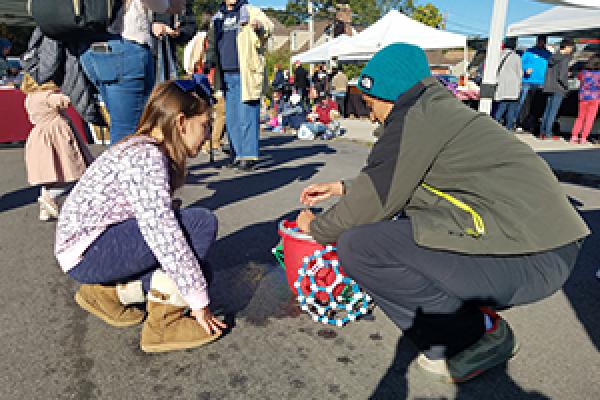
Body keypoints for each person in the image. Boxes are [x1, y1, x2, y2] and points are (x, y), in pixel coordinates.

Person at [296, 43, 589, 383]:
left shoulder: (416, 120)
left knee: (359, 246)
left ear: (389, 94)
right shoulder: (435, 112)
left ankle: (475, 336)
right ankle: (463, 314)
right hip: (542, 245)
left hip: (534, 257)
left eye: (370, 102)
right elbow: (404, 177)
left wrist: (316, 227)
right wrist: (345, 187)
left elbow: (376, 199)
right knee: (400, 229)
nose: (370, 114)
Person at [55, 75, 227, 353]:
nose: (208, 135)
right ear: (181, 123)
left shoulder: (144, 149)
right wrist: (200, 304)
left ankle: (108, 293)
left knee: (199, 272)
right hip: (88, 251)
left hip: (88, 247)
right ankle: (163, 325)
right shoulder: (146, 157)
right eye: (205, 126)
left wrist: (194, 287)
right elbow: (162, 235)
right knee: (199, 224)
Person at [79, 0, 185, 145]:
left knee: (120, 123)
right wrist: (171, 6)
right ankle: (123, 166)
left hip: (91, 48)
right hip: (125, 46)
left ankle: (124, 164)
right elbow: (157, 4)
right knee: (129, 131)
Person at [204, 0, 273, 172]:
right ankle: (236, 154)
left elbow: (268, 27)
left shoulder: (250, 11)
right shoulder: (218, 18)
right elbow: (212, 43)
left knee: (247, 115)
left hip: (246, 73)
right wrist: (209, 60)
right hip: (226, 74)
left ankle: (248, 156)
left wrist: (258, 27)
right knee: (232, 118)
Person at [21, 74, 93, 221]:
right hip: (58, 136)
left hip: (40, 136)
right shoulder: (48, 96)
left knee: (53, 176)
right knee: (73, 175)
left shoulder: (30, 98)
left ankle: (46, 209)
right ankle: (49, 197)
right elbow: (67, 101)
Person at [152, 0, 197, 81]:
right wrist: (152, 26)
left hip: (168, 56)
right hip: (144, 53)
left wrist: (179, 32)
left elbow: (190, 25)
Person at [540, 38, 575, 139]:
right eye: (571, 48)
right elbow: (562, 76)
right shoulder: (564, 58)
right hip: (558, 88)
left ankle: (542, 132)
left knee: (547, 110)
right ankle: (548, 133)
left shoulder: (553, 56)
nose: (571, 50)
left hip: (549, 86)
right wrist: (566, 86)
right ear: (567, 47)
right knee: (553, 112)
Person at [515, 35, 552, 131]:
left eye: (543, 41)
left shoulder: (548, 54)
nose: (541, 43)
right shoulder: (529, 52)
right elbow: (521, 63)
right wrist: (525, 69)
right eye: (539, 41)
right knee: (523, 103)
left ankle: (530, 124)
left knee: (535, 105)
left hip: (541, 82)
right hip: (527, 81)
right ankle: (517, 122)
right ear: (537, 41)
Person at [570, 54, 600, 144]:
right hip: (595, 98)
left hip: (583, 97)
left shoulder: (583, 72)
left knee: (580, 117)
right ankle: (583, 138)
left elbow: (579, 78)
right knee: (589, 119)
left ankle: (574, 136)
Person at [493, 40, 522, 130]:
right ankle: (508, 128)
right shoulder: (516, 57)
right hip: (513, 86)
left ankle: (494, 125)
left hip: (501, 86)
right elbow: (520, 73)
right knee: (511, 109)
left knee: (501, 107)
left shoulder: (498, 56)